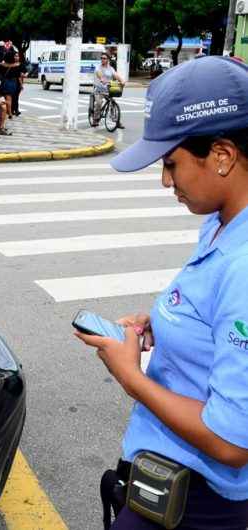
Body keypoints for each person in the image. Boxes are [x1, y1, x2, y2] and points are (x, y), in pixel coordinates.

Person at [76, 56, 248, 530]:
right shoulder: (220, 222)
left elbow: (233, 442)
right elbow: (211, 314)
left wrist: (131, 377)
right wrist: (165, 323)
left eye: (171, 163)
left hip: (198, 500)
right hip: (164, 473)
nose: (166, 180)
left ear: (222, 156)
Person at [92, 52, 125, 128]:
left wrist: (122, 81)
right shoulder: (98, 67)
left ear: (108, 60)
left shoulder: (111, 69)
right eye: (101, 58)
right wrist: (102, 79)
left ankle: (117, 121)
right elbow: (98, 73)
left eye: (104, 58)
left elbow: (116, 75)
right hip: (99, 90)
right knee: (99, 103)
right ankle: (95, 119)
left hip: (108, 90)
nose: (102, 60)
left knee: (112, 103)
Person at [0, 50, 22, 119]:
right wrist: (20, 85)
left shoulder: (2, 65)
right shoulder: (17, 65)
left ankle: (9, 113)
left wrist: (1, 79)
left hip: (5, 82)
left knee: (8, 98)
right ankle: (9, 111)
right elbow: (18, 76)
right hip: (14, 83)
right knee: (11, 98)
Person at [11, 51, 27, 117]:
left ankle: (15, 110)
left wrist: (24, 75)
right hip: (12, 82)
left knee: (16, 97)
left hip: (18, 83)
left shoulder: (21, 64)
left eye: (17, 56)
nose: (16, 57)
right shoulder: (10, 65)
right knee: (12, 97)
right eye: (15, 56)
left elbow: (26, 72)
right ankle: (13, 110)